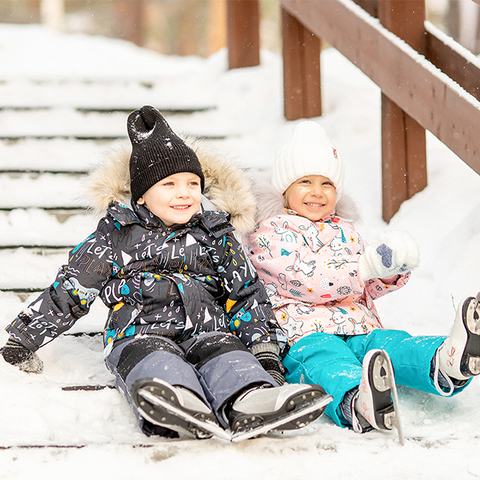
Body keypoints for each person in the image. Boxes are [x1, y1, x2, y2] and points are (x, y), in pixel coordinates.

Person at [1, 107, 331, 441]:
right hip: (138, 334)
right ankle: (174, 399)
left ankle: (251, 397)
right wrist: (24, 338)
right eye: (169, 184)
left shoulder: (215, 234)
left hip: (207, 330)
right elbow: (73, 289)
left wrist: (263, 349)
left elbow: (245, 293)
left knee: (228, 353)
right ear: (142, 194)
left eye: (192, 183)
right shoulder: (116, 234)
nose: (185, 192)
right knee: (155, 358)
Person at [246, 120, 480, 440]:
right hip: (303, 334)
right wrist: (364, 268)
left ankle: (445, 361)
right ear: (284, 188)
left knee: (392, 345)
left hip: (360, 326)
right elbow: (304, 279)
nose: (317, 192)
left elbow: (364, 283)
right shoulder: (269, 231)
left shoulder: (345, 229)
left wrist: (391, 268)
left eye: (327, 184)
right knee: (328, 361)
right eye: (305, 182)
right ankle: (359, 400)